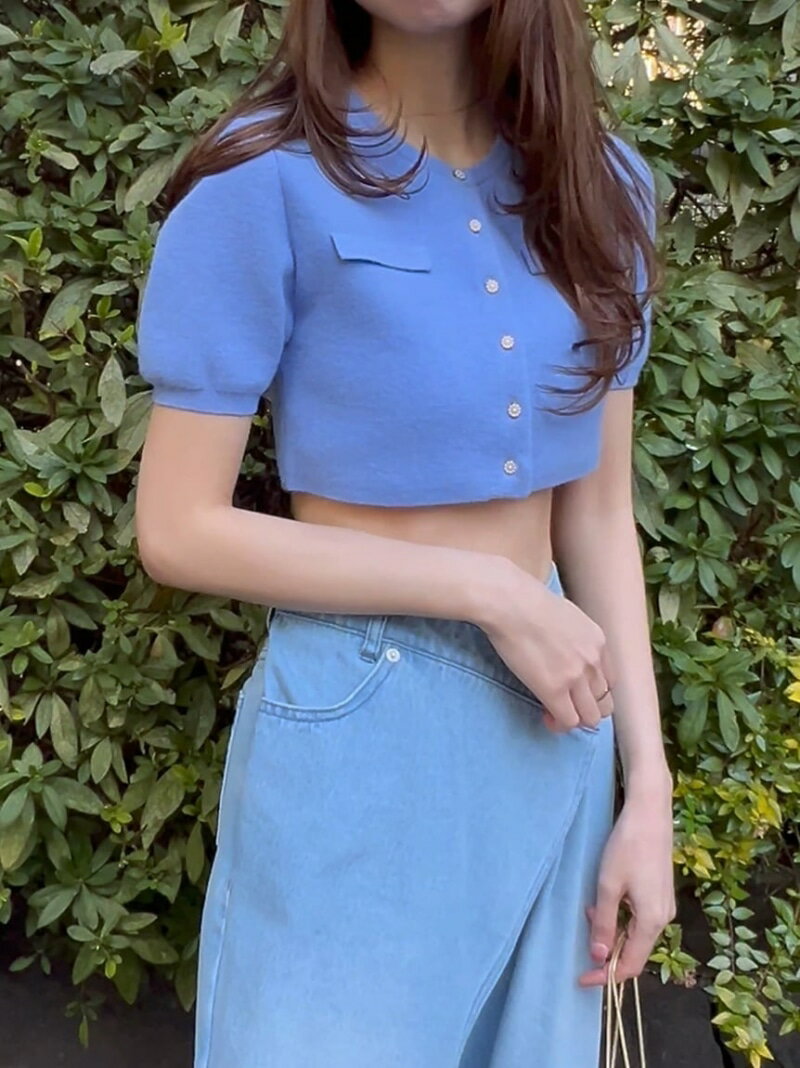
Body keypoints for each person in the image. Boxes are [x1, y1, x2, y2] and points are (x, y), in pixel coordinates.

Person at [134, 1, 676, 1065]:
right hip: (359, 717)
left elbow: (598, 514)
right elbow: (178, 528)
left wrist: (647, 786)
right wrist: (489, 592)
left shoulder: (603, 187)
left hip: (559, 719)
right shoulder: (259, 177)